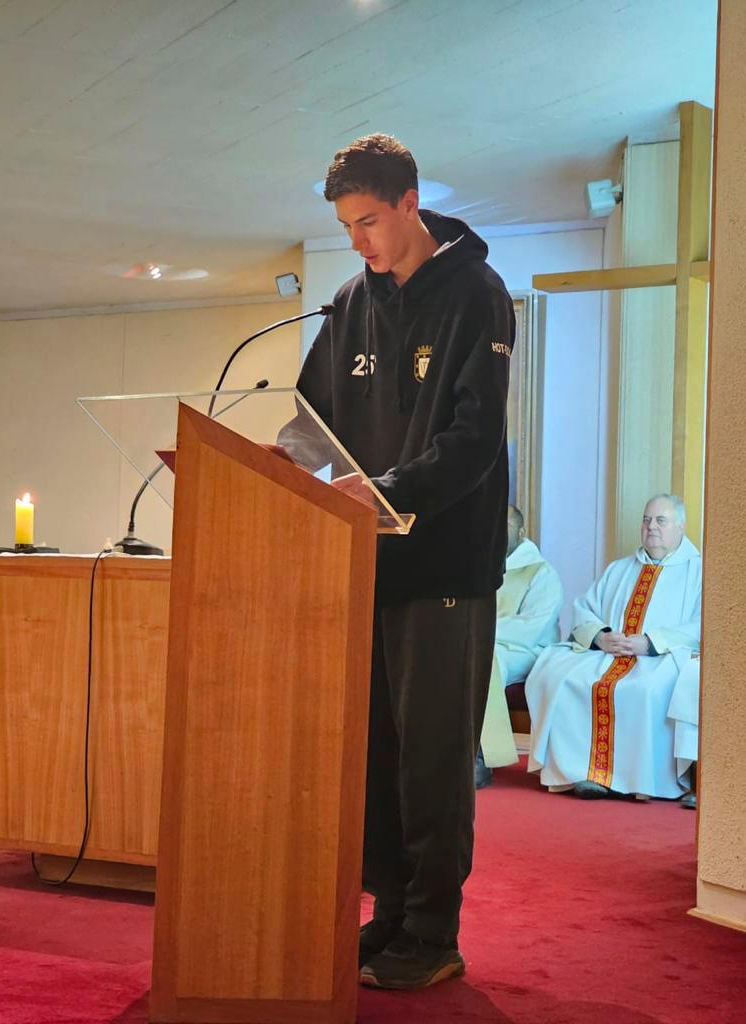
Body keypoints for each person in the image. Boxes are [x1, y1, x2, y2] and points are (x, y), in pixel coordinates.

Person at [293, 135, 514, 989]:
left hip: (446, 569)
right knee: (376, 756)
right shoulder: (352, 302)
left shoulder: (478, 295)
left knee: (430, 757)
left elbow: (474, 440)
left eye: (368, 222)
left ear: (410, 204)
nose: (358, 242)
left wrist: (384, 490)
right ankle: (389, 913)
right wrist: (283, 464)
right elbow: (310, 420)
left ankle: (433, 930)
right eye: (346, 227)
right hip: (365, 567)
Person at [525, 494, 701, 800]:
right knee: (561, 677)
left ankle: (639, 780)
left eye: (661, 520)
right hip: (610, 653)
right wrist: (600, 635)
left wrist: (652, 642)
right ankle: (582, 773)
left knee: (647, 689)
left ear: (681, 527)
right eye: (646, 520)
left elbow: (703, 624)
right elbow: (585, 609)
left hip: (662, 657)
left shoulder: (698, 573)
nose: (651, 527)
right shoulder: (620, 568)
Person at [475, 504, 563, 787]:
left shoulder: (541, 572)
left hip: (529, 651)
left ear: (522, 532)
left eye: (506, 526)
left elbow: (532, 627)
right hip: (485, 643)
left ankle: (482, 756)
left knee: (487, 660)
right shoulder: (480, 565)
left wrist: (480, 632)